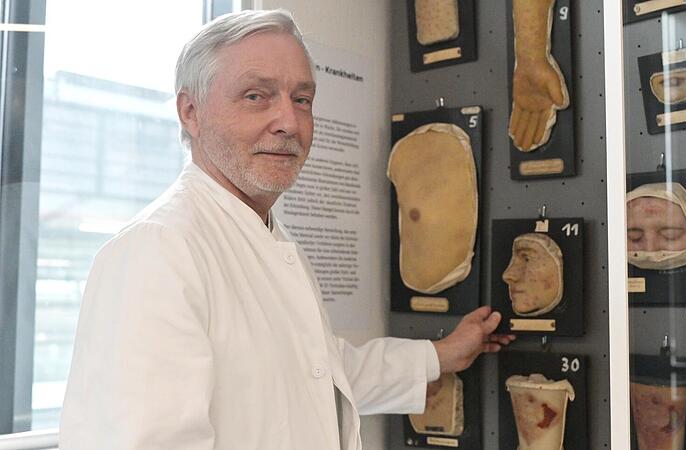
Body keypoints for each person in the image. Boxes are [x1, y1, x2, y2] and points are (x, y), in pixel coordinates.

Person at [59, 9, 513, 450]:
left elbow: (316, 371)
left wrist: (442, 355)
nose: (289, 122)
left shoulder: (264, 236)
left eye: (302, 99)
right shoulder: (156, 251)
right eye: (256, 96)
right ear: (190, 112)